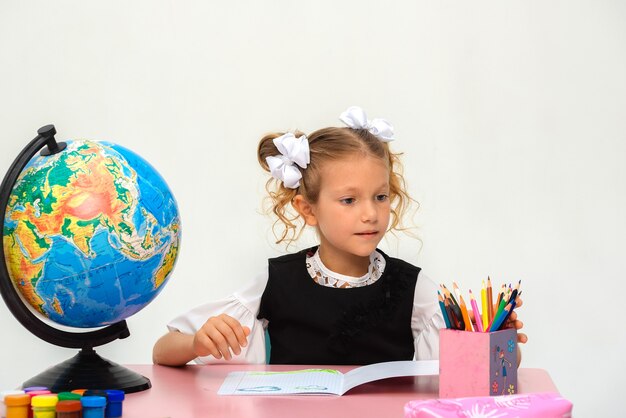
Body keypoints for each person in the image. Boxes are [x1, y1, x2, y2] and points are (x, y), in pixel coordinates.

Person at [152, 106, 527, 366]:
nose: (370, 213)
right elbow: (162, 351)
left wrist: (500, 344)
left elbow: (472, 372)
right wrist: (196, 343)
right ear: (308, 209)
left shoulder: (413, 289)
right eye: (349, 200)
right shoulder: (275, 282)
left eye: (380, 196)